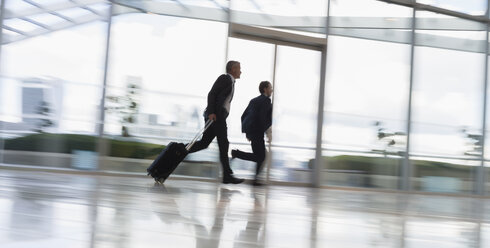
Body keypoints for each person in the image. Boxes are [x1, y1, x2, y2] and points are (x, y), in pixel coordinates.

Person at [188, 61, 244, 184]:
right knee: (224, 144)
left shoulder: (231, 81)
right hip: (216, 116)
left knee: (205, 143)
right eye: (239, 68)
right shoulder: (225, 78)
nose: (241, 71)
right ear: (233, 69)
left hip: (217, 116)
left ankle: (181, 150)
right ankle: (227, 175)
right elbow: (212, 94)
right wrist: (212, 112)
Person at [231, 81, 273, 186]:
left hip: (253, 132)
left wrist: (247, 132)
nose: (272, 90)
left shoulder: (254, 100)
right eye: (270, 88)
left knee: (261, 156)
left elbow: (244, 116)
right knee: (260, 157)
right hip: (258, 132)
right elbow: (262, 118)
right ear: (265, 89)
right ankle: (236, 153)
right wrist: (266, 132)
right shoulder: (266, 101)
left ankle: (255, 179)